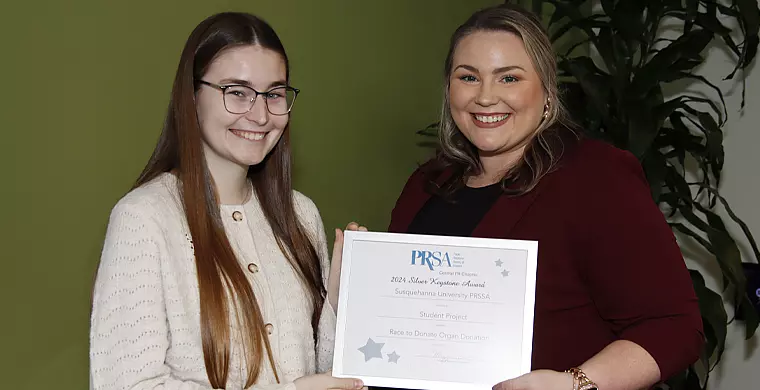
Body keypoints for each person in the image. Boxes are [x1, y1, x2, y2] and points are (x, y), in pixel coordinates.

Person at [387, 4, 704, 390]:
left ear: (547, 91)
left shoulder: (596, 178)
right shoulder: (426, 183)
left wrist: (576, 383)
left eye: (509, 78)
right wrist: (350, 292)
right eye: (468, 77)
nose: (485, 97)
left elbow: (673, 326)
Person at [89, 12, 365, 390]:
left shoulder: (301, 214)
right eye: (237, 92)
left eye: (274, 94)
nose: (260, 114)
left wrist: (336, 303)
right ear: (191, 97)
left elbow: (321, 372)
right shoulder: (143, 218)